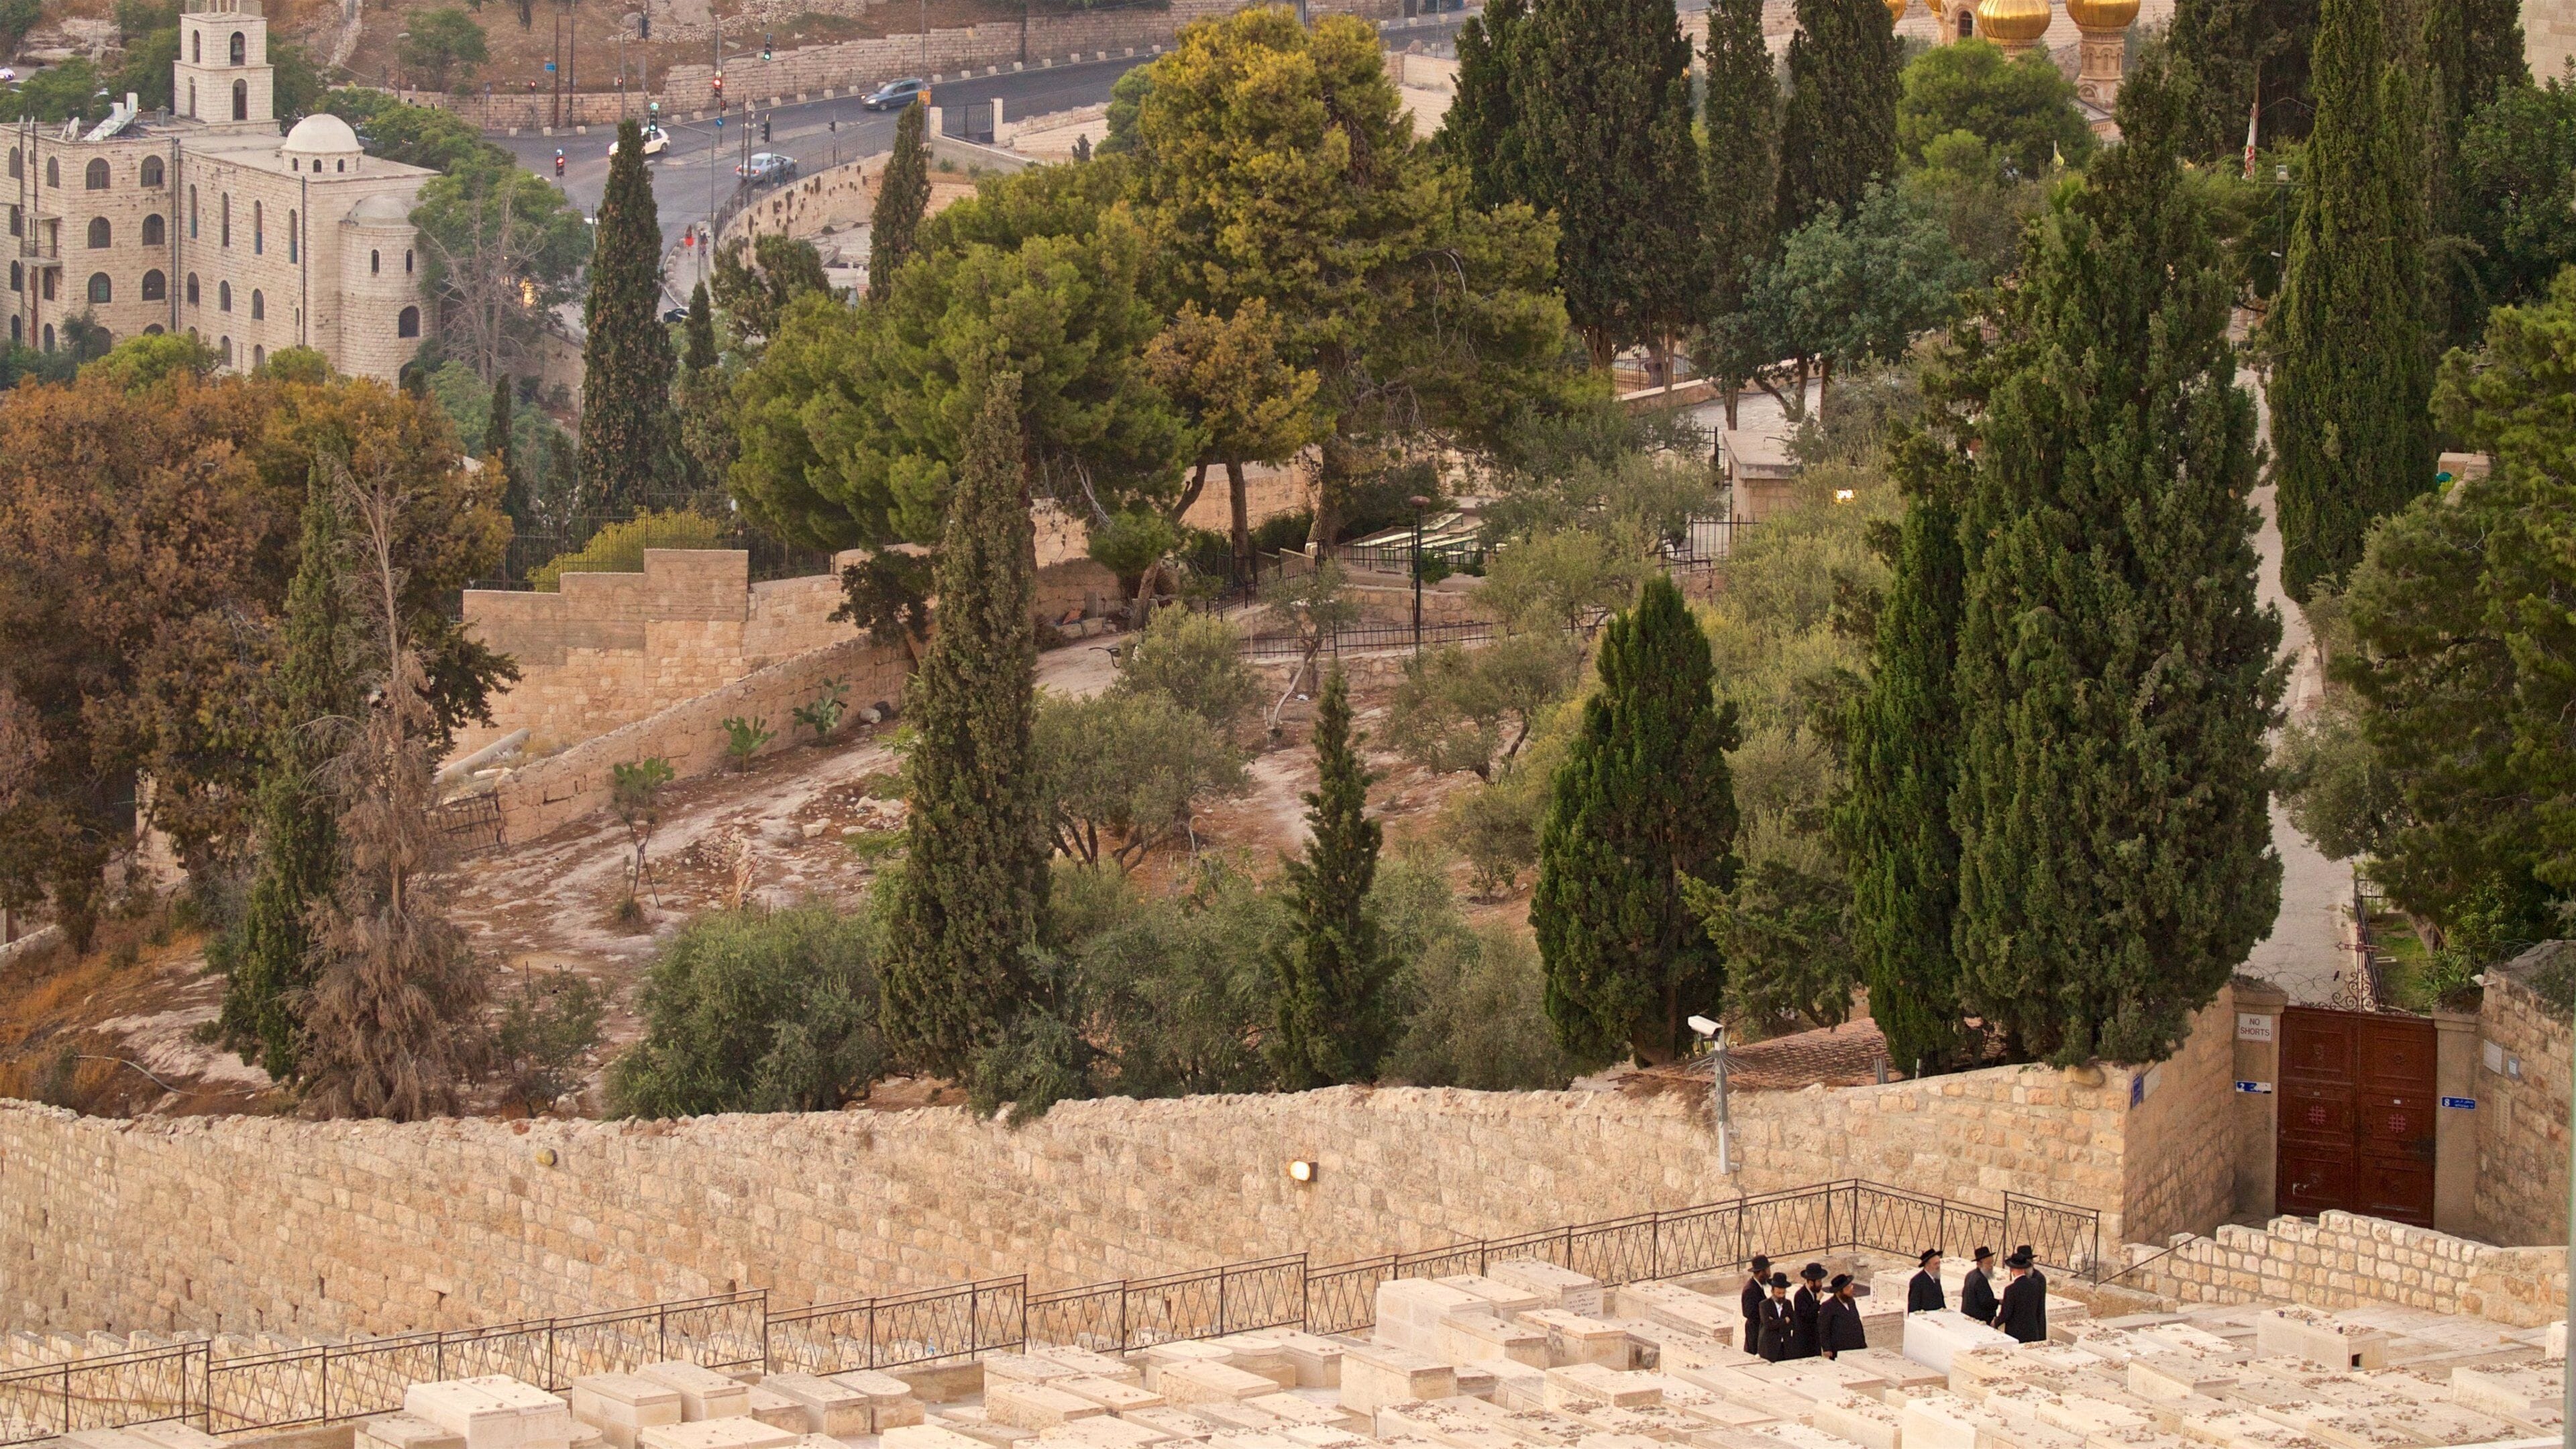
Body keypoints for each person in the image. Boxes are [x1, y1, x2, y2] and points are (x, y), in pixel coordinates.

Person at [1997, 1245, 2047, 1344]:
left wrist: (1996, 1321)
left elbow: (2039, 1308)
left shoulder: (2038, 1279)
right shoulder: (2033, 1283)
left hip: (2029, 1327)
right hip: (2031, 1329)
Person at [1819, 1273, 1868, 1360]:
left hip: (1856, 1347)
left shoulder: (1851, 1302)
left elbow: (1857, 1322)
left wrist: (1863, 1343)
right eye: (1848, 1288)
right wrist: (1827, 1349)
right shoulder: (1828, 1306)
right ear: (1839, 1291)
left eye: (1851, 1286)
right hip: (1839, 1349)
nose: (1851, 1289)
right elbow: (1824, 1329)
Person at [1756, 1273, 1797, 1361]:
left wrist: (1776, 1322)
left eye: (1783, 1293)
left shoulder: (1788, 1304)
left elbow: (1793, 1323)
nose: (1781, 1296)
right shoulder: (1764, 1305)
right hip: (1769, 1347)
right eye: (1778, 1293)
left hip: (1785, 1346)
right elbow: (1768, 1325)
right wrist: (1784, 1321)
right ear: (1772, 1291)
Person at [1792, 1263, 1828, 1358]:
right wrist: (1818, 1301)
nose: (1821, 1284)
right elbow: (1808, 1315)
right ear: (1811, 1282)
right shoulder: (1800, 1295)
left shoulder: (1814, 1292)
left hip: (1814, 1338)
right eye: (1819, 1281)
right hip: (1804, 1340)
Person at [1961, 1245, 2000, 1325]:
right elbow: (1986, 1302)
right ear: (1979, 1264)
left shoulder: (1970, 1274)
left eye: (1992, 1263)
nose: (1991, 1266)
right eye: (1988, 1263)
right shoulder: (1980, 1280)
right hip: (1978, 1320)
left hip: (1969, 1318)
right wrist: (1999, 1302)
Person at [1741, 1255, 1772, 1353]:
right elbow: (1748, 1312)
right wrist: (1765, 1315)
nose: (1769, 1273)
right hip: (1754, 1330)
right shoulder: (1750, 1289)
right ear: (1761, 1272)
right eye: (1768, 1270)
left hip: (1759, 1329)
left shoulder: (1758, 1286)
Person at [1908, 1248, 1945, 1313]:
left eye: (1939, 1263)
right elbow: (1913, 1307)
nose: (1939, 1266)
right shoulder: (1917, 1281)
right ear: (1927, 1265)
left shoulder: (1936, 1278)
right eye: (1935, 1264)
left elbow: (1941, 1301)